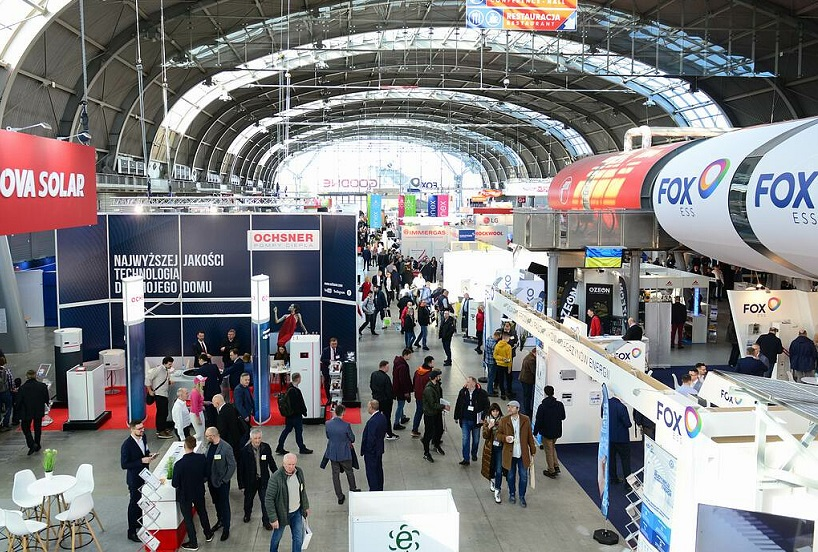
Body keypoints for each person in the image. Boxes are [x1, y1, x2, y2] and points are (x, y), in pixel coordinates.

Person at [172, 435, 214, 551]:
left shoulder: (179, 464)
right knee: (202, 512)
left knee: (188, 519)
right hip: (198, 491)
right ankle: (208, 533)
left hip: (185, 495)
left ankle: (193, 542)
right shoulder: (201, 458)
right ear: (195, 446)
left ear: (184, 446)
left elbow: (175, 483)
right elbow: (206, 474)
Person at [265, 453, 310, 552]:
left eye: (293, 464)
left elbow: (302, 490)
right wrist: (273, 518)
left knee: (298, 538)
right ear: (283, 464)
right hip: (281, 514)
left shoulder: (299, 472)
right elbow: (269, 499)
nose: (291, 467)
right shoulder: (276, 478)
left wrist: (306, 506)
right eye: (289, 464)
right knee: (276, 538)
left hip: (296, 512)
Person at [496, 400, 537, 507]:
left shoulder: (525, 419)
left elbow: (529, 436)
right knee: (510, 476)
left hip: (522, 454)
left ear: (518, 409)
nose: (509, 409)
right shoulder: (504, 420)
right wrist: (505, 438)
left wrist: (532, 449)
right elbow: (498, 435)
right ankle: (512, 494)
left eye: (511, 407)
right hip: (509, 454)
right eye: (508, 407)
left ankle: (522, 496)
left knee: (524, 476)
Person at [121, 420, 157, 543]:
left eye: (143, 428)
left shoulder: (143, 437)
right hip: (134, 478)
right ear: (132, 429)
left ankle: (139, 521)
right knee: (134, 503)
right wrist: (141, 461)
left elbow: (145, 451)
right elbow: (124, 464)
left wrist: (149, 455)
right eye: (139, 429)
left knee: (142, 500)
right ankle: (131, 531)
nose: (142, 430)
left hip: (145, 475)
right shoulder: (127, 445)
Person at [238, 428, 277, 529]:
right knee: (248, 500)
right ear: (251, 439)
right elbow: (240, 469)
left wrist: (277, 474)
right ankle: (247, 514)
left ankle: (266, 521)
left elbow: (271, 462)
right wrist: (241, 485)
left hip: (263, 480)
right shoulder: (244, 451)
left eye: (259, 438)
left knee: (265, 501)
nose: (257, 440)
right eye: (255, 438)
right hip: (250, 481)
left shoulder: (266, 447)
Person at [204, 426, 236, 541]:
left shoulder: (226, 447)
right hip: (211, 482)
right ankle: (220, 521)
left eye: (207, 436)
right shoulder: (209, 445)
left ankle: (226, 528)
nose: (206, 438)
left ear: (213, 436)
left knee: (224, 505)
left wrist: (225, 480)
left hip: (222, 483)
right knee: (216, 503)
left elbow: (232, 465)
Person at [323, 404, 360, 504]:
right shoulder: (346, 425)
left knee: (335, 475)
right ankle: (353, 489)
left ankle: (339, 496)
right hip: (344, 453)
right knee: (349, 472)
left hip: (333, 453)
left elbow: (328, 436)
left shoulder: (328, 423)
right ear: (343, 413)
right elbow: (352, 438)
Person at [453, 376, 489, 466]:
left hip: (476, 421)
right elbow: (458, 404)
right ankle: (466, 459)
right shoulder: (463, 392)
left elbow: (487, 406)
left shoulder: (482, 393)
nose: (466, 384)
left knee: (476, 440)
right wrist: (456, 416)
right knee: (465, 439)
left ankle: (474, 453)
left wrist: (483, 418)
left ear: (474, 383)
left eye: (468, 382)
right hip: (465, 419)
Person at [276, 373, 314, 455]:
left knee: (287, 430)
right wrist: (303, 411)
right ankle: (302, 448)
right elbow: (298, 404)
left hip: (289, 415)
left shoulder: (289, 388)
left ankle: (280, 446)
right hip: (296, 415)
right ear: (298, 379)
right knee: (298, 432)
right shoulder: (295, 391)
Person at [534, 386, 566, 479]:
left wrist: (535, 431)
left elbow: (538, 420)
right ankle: (556, 466)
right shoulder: (559, 404)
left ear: (545, 393)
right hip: (556, 431)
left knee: (548, 451)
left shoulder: (542, 406)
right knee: (552, 447)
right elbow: (563, 417)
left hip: (546, 432)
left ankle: (551, 470)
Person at [15, 369, 49, 455]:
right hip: (38, 409)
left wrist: (17, 410)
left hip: (26, 411)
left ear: (27, 376)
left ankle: (32, 444)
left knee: (25, 427)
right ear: (35, 375)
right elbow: (46, 398)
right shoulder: (42, 386)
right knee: (37, 427)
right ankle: (37, 444)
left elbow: (19, 401)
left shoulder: (22, 388)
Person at [361, 399, 389, 491]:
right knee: (378, 470)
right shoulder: (382, 417)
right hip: (379, 449)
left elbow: (371, 438)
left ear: (371, 407)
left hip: (372, 452)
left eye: (368, 406)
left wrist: (368, 450)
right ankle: (379, 489)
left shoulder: (372, 421)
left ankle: (374, 490)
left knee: (371, 473)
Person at [421, 369, 449, 462]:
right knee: (428, 433)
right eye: (439, 376)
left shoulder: (436, 385)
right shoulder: (429, 389)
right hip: (430, 414)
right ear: (435, 377)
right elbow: (432, 404)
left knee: (439, 429)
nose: (440, 377)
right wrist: (443, 406)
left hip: (436, 412)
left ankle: (436, 445)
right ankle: (426, 453)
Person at [369, 360, 398, 440]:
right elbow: (389, 390)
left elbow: (371, 385)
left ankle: (377, 431)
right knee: (387, 417)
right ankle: (389, 433)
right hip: (386, 401)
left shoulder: (374, 374)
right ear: (384, 367)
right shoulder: (386, 378)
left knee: (376, 416)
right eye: (387, 367)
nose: (388, 369)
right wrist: (391, 398)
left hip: (376, 399)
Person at [147, 356, 174, 439]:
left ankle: (163, 428)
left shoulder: (166, 370)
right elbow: (148, 378)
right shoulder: (158, 369)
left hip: (164, 394)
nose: (171, 366)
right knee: (161, 413)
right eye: (169, 364)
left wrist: (168, 382)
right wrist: (150, 390)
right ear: (165, 363)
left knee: (164, 413)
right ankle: (160, 430)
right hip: (159, 395)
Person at [192, 353, 222, 428]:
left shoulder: (200, 370)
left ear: (201, 359)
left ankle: (211, 426)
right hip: (216, 391)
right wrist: (217, 384)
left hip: (207, 392)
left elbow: (199, 383)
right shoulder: (214, 366)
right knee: (217, 409)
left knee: (209, 411)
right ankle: (218, 425)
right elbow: (220, 377)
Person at [481, 403, 504, 502]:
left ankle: (497, 490)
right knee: (491, 466)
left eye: (497, 411)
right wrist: (489, 427)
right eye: (493, 411)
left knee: (499, 470)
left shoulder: (503, 420)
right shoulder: (487, 420)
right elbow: (485, 436)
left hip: (500, 448)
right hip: (490, 448)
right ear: (490, 412)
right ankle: (492, 480)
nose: (495, 413)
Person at [213, 394, 246, 461]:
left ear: (217, 403)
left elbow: (222, 430)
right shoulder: (231, 406)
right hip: (237, 435)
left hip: (229, 439)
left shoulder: (222, 414)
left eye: (213, 402)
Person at [608, 395, 632, 486]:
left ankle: (613, 479)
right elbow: (627, 423)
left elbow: (603, 416)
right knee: (625, 461)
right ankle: (627, 483)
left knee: (611, 459)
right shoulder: (621, 407)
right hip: (622, 439)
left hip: (610, 437)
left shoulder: (606, 403)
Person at [411, 356, 434, 437]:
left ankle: (414, 429)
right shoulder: (429, 375)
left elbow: (414, 382)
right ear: (429, 363)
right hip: (426, 397)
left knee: (418, 412)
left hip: (418, 395)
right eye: (432, 362)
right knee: (428, 414)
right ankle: (430, 432)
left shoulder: (417, 371)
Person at [391, 348, 413, 431]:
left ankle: (402, 417)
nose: (410, 357)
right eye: (410, 355)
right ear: (406, 355)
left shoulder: (397, 362)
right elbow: (403, 380)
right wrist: (406, 391)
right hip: (401, 390)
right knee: (400, 405)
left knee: (401, 404)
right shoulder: (403, 366)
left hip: (397, 388)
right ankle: (396, 423)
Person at [320, 337, 344, 406]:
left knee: (337, 382)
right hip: (327, 369)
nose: (334, 345)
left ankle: (337, 397)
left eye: (335, 344)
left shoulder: (340, 349)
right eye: (333, 344)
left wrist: (338, 362)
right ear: (330, 344)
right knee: (327, 383)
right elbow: (322, 359)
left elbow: (343, 358)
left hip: (337, 370)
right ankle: (329, 398)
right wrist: (330, 361)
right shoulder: (325, 350)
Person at [493, 334, 512, 401]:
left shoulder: (497, 345)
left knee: (501, 380)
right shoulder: (508, 347)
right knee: (508, 379)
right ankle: (509, 391)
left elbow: (495, 356)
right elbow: (509, 358)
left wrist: (501, 358)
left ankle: (503, 394)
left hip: (499, 365)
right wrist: (509, 367)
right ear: (507, 338)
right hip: (506, 365)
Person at [519, 348, 537, 418]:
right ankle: (527, 411)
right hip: (527, 380)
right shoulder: (531, 360)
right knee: (527, 396)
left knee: (526, 395)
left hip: (523, 378)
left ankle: (527, 409)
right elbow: (534, 371)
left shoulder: (528, 356)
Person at [484, 330, 500, 397]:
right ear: (496, 336)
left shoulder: (489, 338)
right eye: (498, 337)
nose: (498, 339)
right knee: (491, 378)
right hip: (492, 362)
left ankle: (490, 390)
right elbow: (495, 354)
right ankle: (490, 392)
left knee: (490, 376)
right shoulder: (493, 344)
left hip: (487, 360)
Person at [0, 356, 14, 430]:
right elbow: (10, 381)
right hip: (5, 392)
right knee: (8, 407)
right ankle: (6, 424)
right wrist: (12, 388)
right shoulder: (6, 370)